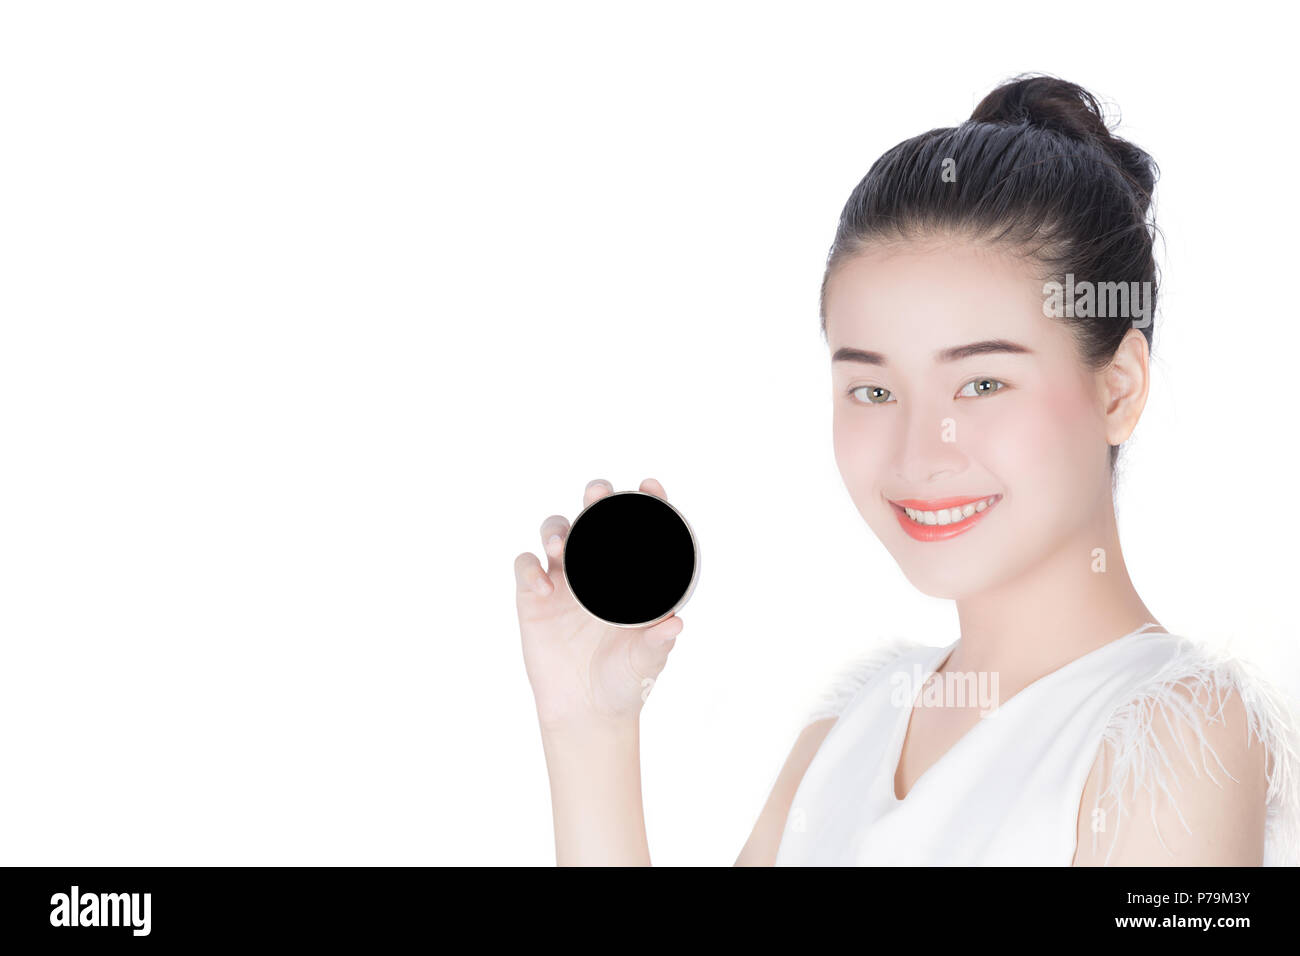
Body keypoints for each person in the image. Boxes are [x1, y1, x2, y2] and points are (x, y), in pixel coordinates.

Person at [512, 74, 1300, 866]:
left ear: (1117, 389)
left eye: (982, 383)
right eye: (875, 390)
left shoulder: (1184, 730)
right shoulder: (848, 732)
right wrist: (588, 725)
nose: (920, 452)